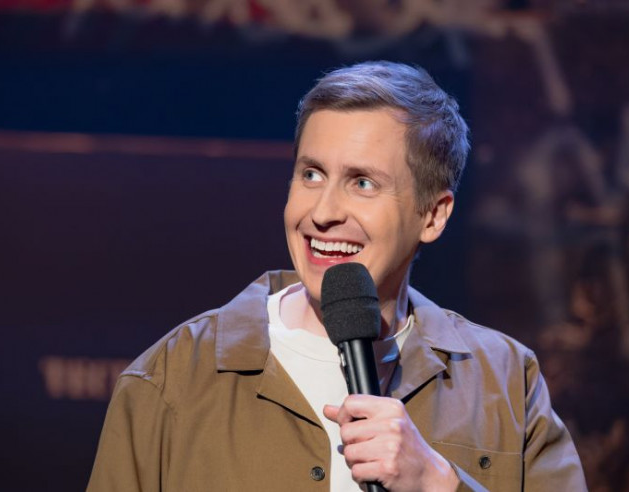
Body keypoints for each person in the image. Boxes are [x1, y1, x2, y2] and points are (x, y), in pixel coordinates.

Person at [87, 61, 587, 491]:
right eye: (311, 175)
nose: (323, 212)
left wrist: (437, 482)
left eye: (362, 183)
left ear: (433, 215)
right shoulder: (171, 380)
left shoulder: (504, 381)